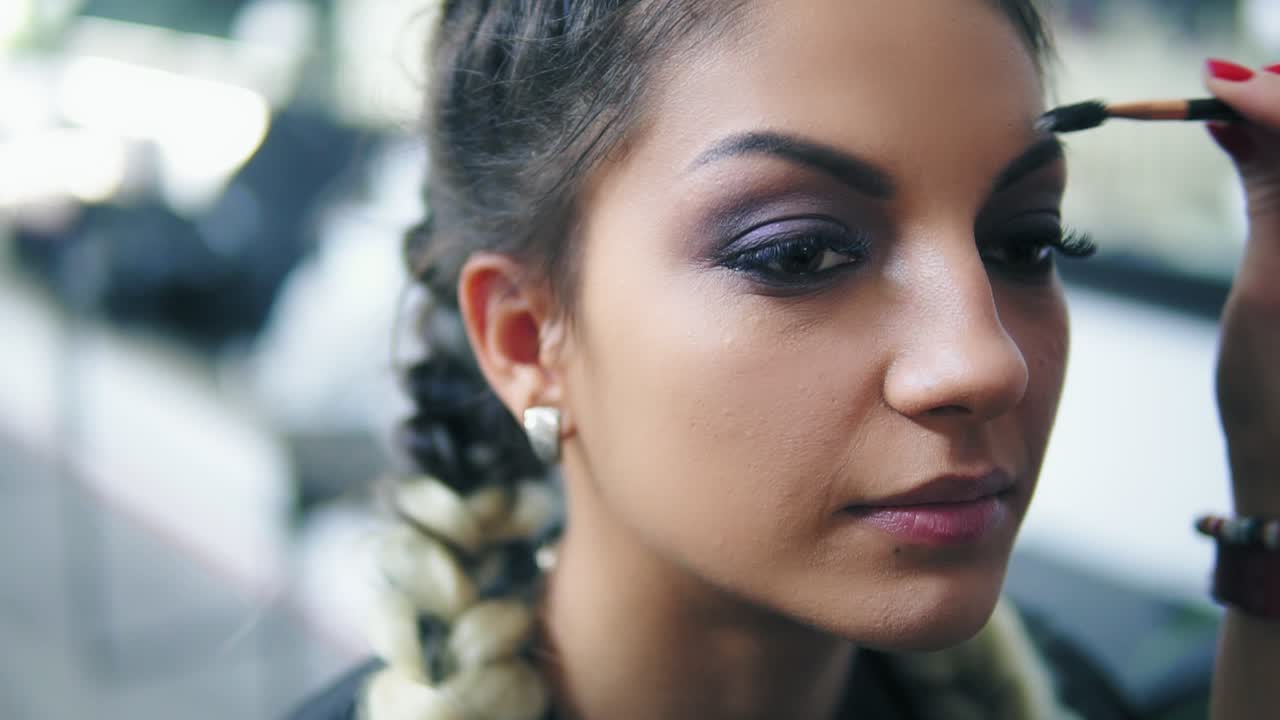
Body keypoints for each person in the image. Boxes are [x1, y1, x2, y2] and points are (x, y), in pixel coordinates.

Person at [291, 1, 1280, 718]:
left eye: (1024, 242)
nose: (983, 363)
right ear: (526, 340)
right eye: (799, 254)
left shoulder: (1071, 696)